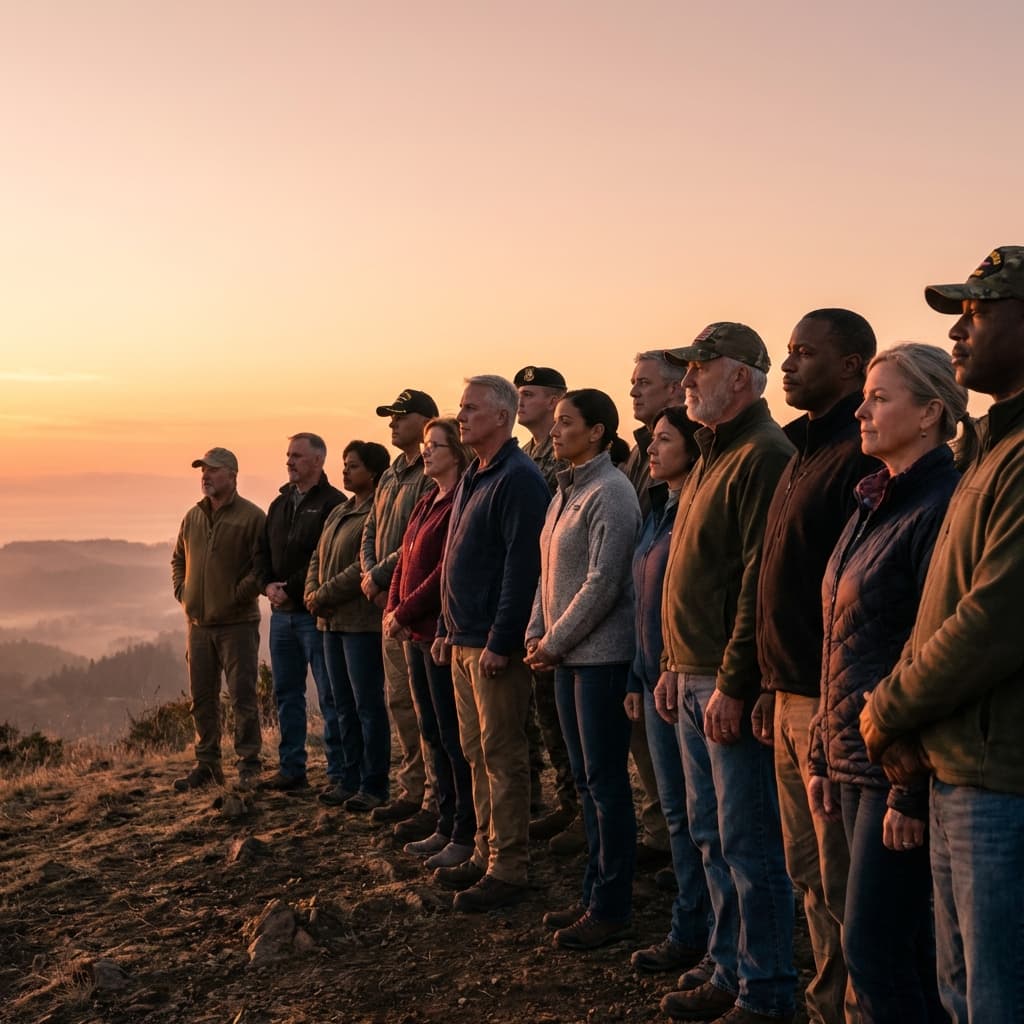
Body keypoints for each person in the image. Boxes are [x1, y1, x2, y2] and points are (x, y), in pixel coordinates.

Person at [859, 246, 1024, 1024]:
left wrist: (887, 708)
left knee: (996, 996)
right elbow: (940, 607)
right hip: (960, 763)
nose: (960, 331)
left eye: (979, 312)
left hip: (1004, 778)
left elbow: (994, 619)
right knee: (958, 990)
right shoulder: (991, 450)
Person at [807, 344, 964, 1023]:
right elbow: (843, 637)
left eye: (881, 397)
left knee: (881, 951)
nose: (862, 410)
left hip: (895, 763)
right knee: (876, 945)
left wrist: (907, 787)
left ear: (931, 412)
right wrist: (821, 750)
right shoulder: (874, 498)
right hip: (854, 753)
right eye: (864, 397)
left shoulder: (938, 505)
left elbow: (925, 648)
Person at [656, 323, 797, 1024]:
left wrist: (737, 683)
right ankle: (728, 962)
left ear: (740, 377)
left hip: (724, 681)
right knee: (711, 834)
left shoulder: (764, 455)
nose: (687, 381)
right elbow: (690, 571)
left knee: (748, 841)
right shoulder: (714, 453)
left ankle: (767, 989)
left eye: (699, 369)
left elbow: (755, 582)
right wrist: (672, 665)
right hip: (692, 674)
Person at [753, 308, 878, 1024]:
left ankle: (857, 1007)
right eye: (788, 351)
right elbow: (775, 576)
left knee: (843, 879)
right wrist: (769, 683)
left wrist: (818, 698)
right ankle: (825, 1002)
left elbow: (850, 599)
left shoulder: (857, 455)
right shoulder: (802, 451)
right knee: (808, 872)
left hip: (832, 702)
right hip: (790, 693)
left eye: (805, 352)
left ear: (853, 365)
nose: (790, 364)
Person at [525, 389, 641, 950]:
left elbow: (604, 581)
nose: (555, 430)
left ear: (597, 432)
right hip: (567, 657)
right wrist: (535, 631)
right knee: (586, 779)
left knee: (606, 784)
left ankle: (612, 903)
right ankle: (594, 889)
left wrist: (554, 640)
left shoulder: (612, 493)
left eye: (567, 422)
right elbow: (546, 571)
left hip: (600, 660)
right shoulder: (563, 492)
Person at [430, 374, 550, 912]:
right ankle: (483, 851)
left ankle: (510, 865)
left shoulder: (518, 478)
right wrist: (444, 629)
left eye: (471, 408)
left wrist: (502, 640)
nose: (461, 417)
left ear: (502, 416)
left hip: (490, 645)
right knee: (475, 752)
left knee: (502, 755)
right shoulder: (477, 475)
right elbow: (455, 560)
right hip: (462, 640)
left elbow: (520, 570)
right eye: (460, 408)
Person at [624, 406, 711, 977]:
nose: (651, 451)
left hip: (690, 680)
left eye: (663, 440)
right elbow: (644, 608)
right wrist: (638, 675)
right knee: (679, 815)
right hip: (655, 680)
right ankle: (689, 926)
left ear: (693, 448)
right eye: (651, 441)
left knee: (705, 822)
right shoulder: (657, 510)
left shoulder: (693, 514)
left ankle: (709, 937)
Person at [384, 418, 477, 870]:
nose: (426, 453)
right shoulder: (426, 501)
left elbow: (445, 569)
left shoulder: (459, 500)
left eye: (435, 446)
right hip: (413, 633)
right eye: (425, 446)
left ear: (456, 452)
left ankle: (464, 829)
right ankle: (444, 820)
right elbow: (405, 557)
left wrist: (405, 612)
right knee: (432, 734)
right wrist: (393, 605)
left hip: (439, 632)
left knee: (453, 736)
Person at [361, 389, 439, 840]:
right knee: (399, 702)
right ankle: (412, 789)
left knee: (422, 705)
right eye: (389, 416)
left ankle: (433, 796)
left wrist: (381, 574)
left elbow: (417, 540)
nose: (391, 423)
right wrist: (371, 572)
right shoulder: (392, 473)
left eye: (400, 416)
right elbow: (372, 526)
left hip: (415, 603)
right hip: (389, 599)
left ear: (425, 420)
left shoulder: (430, 473)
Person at [620, 350, 685, 870]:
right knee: (653, 761)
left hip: (677, 646)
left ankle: (670, 846)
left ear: (677, 389)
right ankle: (662, 838)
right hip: (644, 637)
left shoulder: (689, 461)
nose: (634, 392)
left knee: (692, 794)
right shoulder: (643, 453)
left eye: (645, 383)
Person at [170, 447, 265, 791]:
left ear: (232, 475)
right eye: (203, 471)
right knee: (202, 698)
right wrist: (183, 592)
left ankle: (248, 764)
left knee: (242, 696)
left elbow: (261, 567)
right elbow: (178, 558)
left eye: (213, 470)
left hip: (237, 624)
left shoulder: (252, 517)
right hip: (197, 625)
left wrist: (238, 595)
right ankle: (207, 764)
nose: (205, 476)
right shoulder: (192, 516)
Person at [514, 364, 581, 853]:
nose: (522, 400)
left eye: (531, 393)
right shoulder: (529, 455)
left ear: (558, 398)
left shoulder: (570, 457)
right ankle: (562, 801)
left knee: (564, 715)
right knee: (540, 712)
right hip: (534, 600)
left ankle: (580, 809)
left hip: (562, 600)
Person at [305, 441, 392, 810]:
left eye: (352, 466)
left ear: (371, 472)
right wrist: (311, 591)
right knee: (342, 704)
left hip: (360, 623)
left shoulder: (377, 512)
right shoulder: (340, 511)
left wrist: (323, 593)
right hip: (330, 623)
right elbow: (317, 554)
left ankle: (373, 785)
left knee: (367, 706)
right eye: (344, 465)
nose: (344, 472)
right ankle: (349, 777)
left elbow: (362, 566)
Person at [255, 432, 345, 791]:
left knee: (329, 694)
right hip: (281, 617)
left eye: (297, 456)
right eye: (287, 454)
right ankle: (291, 769)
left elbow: (321, 559)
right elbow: (261, 550)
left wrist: (288, 587)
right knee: (286, 693)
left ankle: (339, 772)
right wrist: (266, 585)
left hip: (313, 615)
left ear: (318, 461)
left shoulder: (333, 503)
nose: (289, 461)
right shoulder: (280, 503)